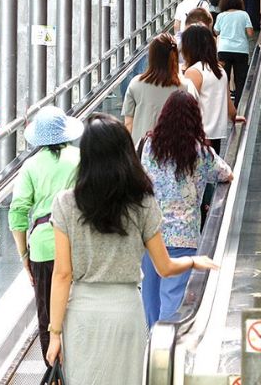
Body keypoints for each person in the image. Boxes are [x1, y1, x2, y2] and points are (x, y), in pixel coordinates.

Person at [45, 114, 217, 384]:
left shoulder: (66, 203)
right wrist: (193, 261)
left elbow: (62, 274)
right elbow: (165, 267)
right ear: (126, 153)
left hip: (82, 316)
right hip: (126, 311)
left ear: (86, 155)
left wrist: (54, 333)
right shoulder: (143, 202)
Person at [138, 92, 232, 326]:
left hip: (149, 232)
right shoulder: (200, 151)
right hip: (184, 236)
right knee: (172, 296)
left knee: (149, 295)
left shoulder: (148, 145)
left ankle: (150, 345)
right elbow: (226, 174)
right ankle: (165, 348)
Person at [8, 105, 83, 366]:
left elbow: (17, 214)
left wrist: (24, 255)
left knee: (48, 315)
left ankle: (54, 373)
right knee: (77, 308)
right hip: (77, 244)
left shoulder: (30, 166)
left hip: (42, 247)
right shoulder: (81, 158)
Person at [122, 33, 197, 146]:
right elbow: (195, 121)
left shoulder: (135, 83)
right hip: (176, 150)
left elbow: (128, 123)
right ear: (175, 55)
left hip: (142, 151)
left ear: (151, 57)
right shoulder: (186, 86)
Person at [181, 24, 243, 153]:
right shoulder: (219, 70)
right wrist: (234, 117)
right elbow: (229, 104)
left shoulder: (194, 72)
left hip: (198, 136)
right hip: (216, 135)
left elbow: (187, 107)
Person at [214, 0, 254, 105]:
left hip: (224, 50)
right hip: (241, 50)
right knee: (240, 79)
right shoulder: (244, 14)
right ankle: (238, 105)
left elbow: (216, 32)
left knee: (223, 78)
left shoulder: (221, 15)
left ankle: (225, 104)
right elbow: (250, 33)